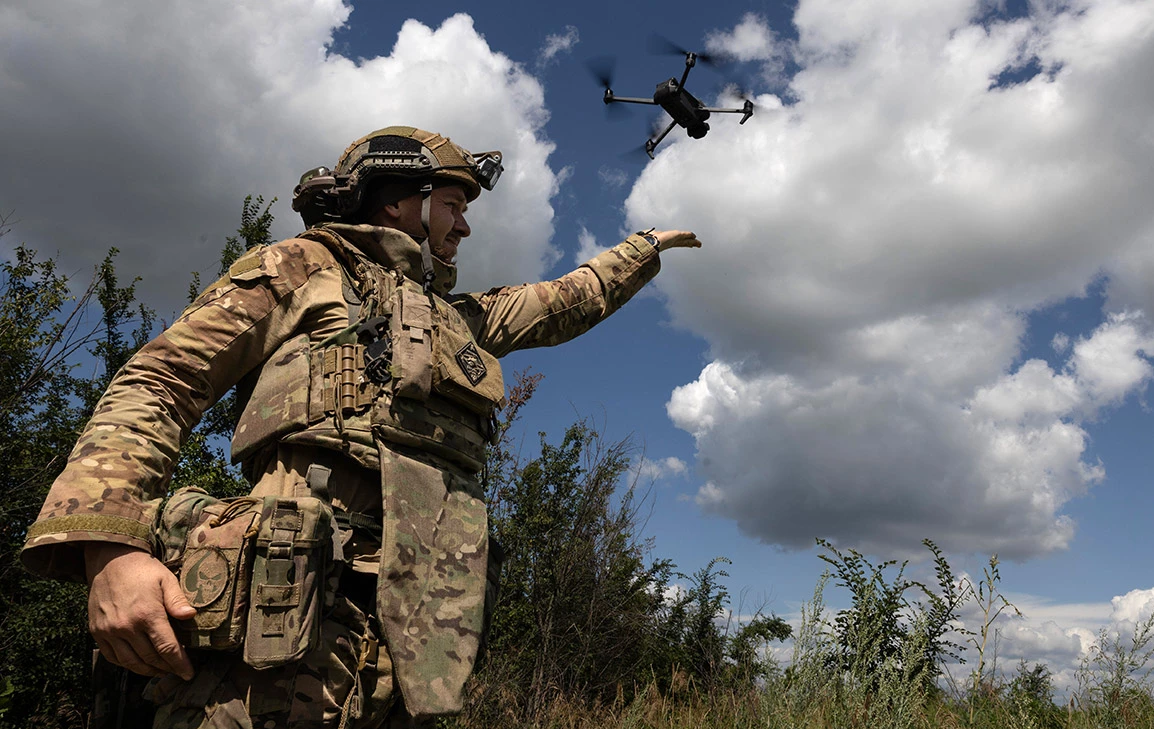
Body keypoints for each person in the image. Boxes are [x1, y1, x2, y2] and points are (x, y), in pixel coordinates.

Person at [21, 125, 701, 727]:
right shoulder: (301, 267)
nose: (464, 227)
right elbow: (162, 381)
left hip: (416, 641)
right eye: (455, 205)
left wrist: (642, 247)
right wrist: (109, 546)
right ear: (399, 195)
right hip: (282, 626)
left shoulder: (462, 321)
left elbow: (565, 300)